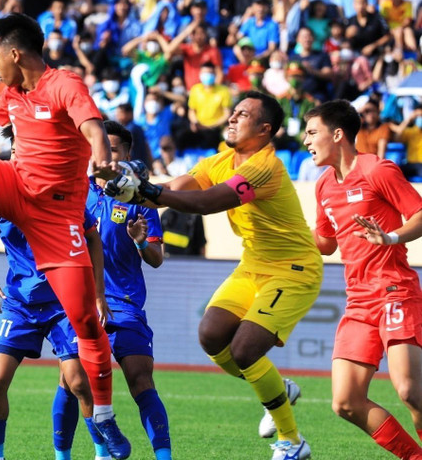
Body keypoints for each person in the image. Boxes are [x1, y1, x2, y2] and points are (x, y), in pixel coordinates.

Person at [0, 13, 130, 458]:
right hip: (13, 189)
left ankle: (107, 418)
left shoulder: (64, 84)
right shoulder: (12, 92)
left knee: (89, 324)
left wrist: (103, 156)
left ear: (14, 53)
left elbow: (92, 125)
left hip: (57, 217)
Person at [107, 92, 320, 460]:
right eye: (233, 111)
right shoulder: (220, 160)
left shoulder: (264, 167)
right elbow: (171, 191)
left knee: (246, 349)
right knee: (211, 335)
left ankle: (291, 441)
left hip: (294, 269)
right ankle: (278, 391)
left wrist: (145, 189)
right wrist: (135, 192)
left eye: (243, 114)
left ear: (265, 129)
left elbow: (206, 203)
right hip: (254, 265)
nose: (233, 118)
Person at [0, 127, 113, 460]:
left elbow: (92, 237)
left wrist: (97, 293)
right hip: (20, 303)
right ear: (13, 152)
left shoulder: (62, 189)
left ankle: (101, 454)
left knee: (79, 382)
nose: (23, 155)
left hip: (64, 303)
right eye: (18, 149)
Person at [303, 100, 422, 460]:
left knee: (410, 392)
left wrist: (390, 237)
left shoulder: (377, 169)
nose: (306, 142)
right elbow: (324, 243)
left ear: (337, 134)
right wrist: (282, 227)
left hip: (394, 290)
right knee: (345, 402)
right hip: (358, 301)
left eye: (312, 133)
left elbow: (419, 213)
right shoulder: (323, 186)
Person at [86, 121, 172, 460]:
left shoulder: (141, 199)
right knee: (76, 383)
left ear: (126, 156)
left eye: (113, 150)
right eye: (100, 149)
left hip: (124, 302)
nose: (105, 156)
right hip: (80, 302)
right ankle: (98, 454)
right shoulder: (75, 191)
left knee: (140, 380)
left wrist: (139, 242)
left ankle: (163, 457)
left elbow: (156, 259)